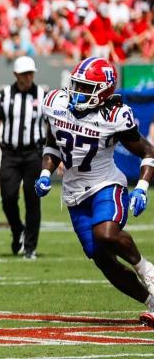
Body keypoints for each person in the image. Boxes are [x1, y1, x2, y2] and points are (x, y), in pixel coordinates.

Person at [35, 56, 154, 328]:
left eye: (87, 88)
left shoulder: (113, 116)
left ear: (103, 92)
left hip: (105, 185)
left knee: (106, 233)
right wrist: (45, 173)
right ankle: (151, 302)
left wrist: (142, 188)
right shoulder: (57, 103)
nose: (78, 93)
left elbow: (148, 153)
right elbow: (53, 145)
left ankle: (148, 271)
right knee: (103, 260)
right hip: (75, 195)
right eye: (76, 85)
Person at [0, 56, 46, 259]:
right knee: (8, 197)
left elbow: (52, 127)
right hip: (10, 153)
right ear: (16, 75)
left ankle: (30, 247)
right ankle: (18, 228)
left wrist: (57, 155)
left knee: (32, 199)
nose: (29, 77)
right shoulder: (4, 95)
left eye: (31, 73)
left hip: (34, 154)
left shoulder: (42, 95)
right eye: (24, 74)